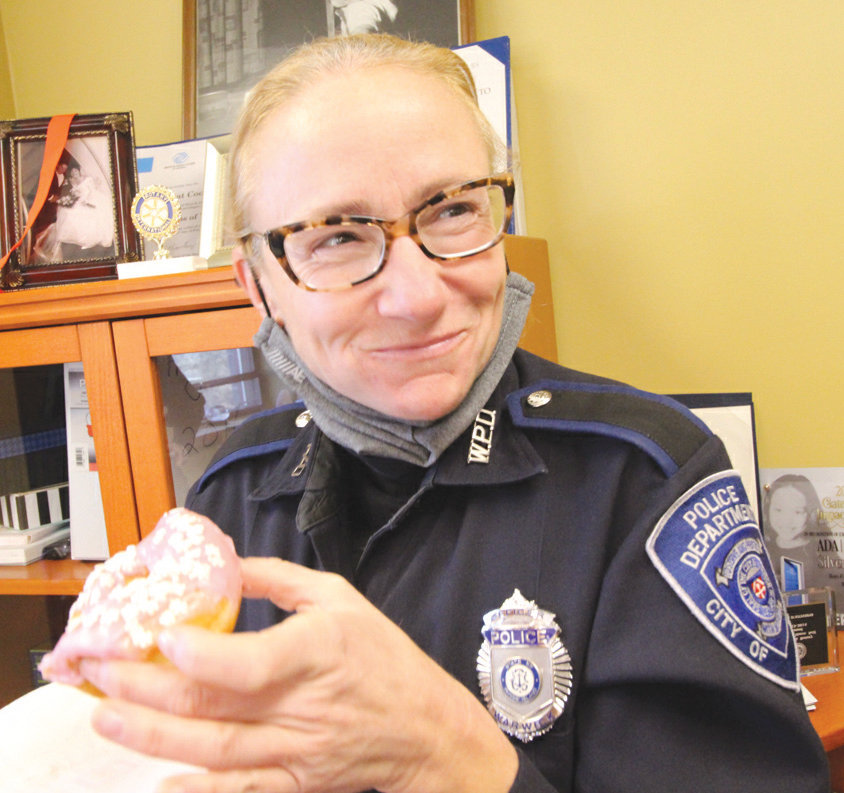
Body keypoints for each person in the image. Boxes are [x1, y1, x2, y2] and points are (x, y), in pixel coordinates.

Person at [79, 33, 829, 793]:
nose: (418, 296)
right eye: (337, 235)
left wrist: (447, 755)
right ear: (260, 286)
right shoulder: (231, 495)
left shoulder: (646, 483)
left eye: (453, 210)